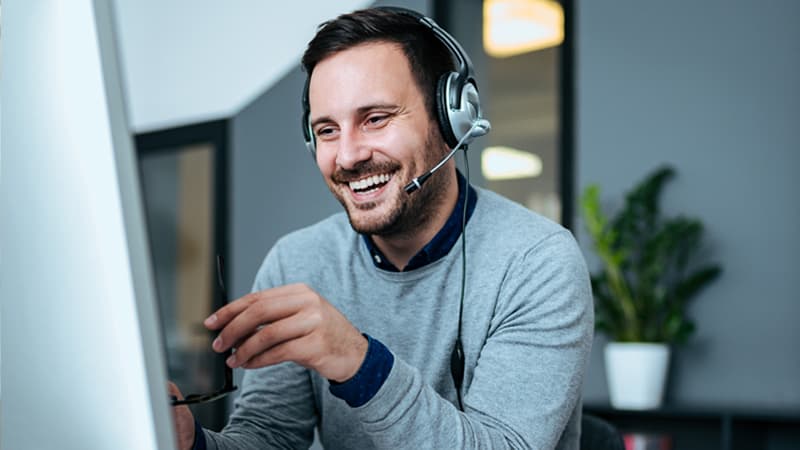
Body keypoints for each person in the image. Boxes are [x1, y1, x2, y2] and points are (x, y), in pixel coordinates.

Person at [170, 7, 593, 450]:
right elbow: (269, 439)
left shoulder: (537, 262)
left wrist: (358, 362)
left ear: (450, 119)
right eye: (327, 130)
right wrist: (193, 443)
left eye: (375, 118)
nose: (348, 156)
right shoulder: (296, 261)